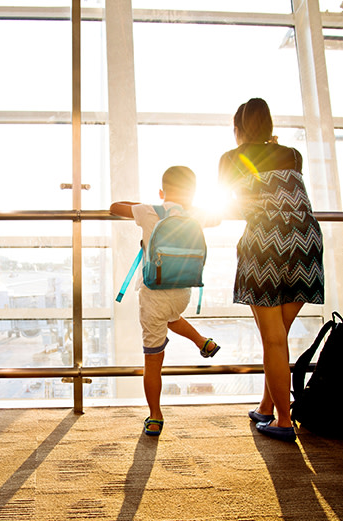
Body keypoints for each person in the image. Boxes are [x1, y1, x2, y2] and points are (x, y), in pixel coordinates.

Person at [218, 98, 325, 442]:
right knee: (278, 337)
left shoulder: (231, 159)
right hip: (306, 245)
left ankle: (282, 420)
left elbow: (230, 205)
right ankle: (267, 406)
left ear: (238, 129)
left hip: (266, 246)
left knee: (273, 339)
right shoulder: (293, 155)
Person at [111, 165, 221, 437]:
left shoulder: (149, 211)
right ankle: (202, 342)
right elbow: (218, 219)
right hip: (183, 291)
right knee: (172, 317)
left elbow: (114, 206)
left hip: (154, 294)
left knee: (152, 362)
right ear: (193, 194)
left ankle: (155, 416)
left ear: (162, 192)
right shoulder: (196, 214)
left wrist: (147, 205)